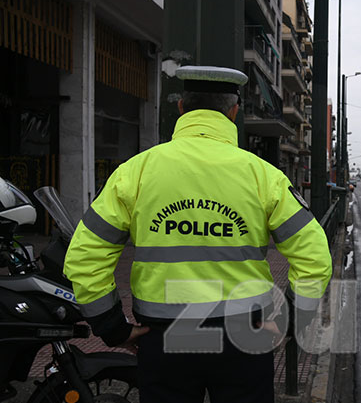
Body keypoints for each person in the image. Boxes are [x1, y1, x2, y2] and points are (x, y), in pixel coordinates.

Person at [63, 65, 332, 403]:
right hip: (244, 337)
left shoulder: (134, 172)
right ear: (233, 112)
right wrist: (288, 321)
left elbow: (85, 256)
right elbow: (315, 257)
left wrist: (112, 327)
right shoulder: (264, 176)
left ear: (181, 108)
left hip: (163, 337)